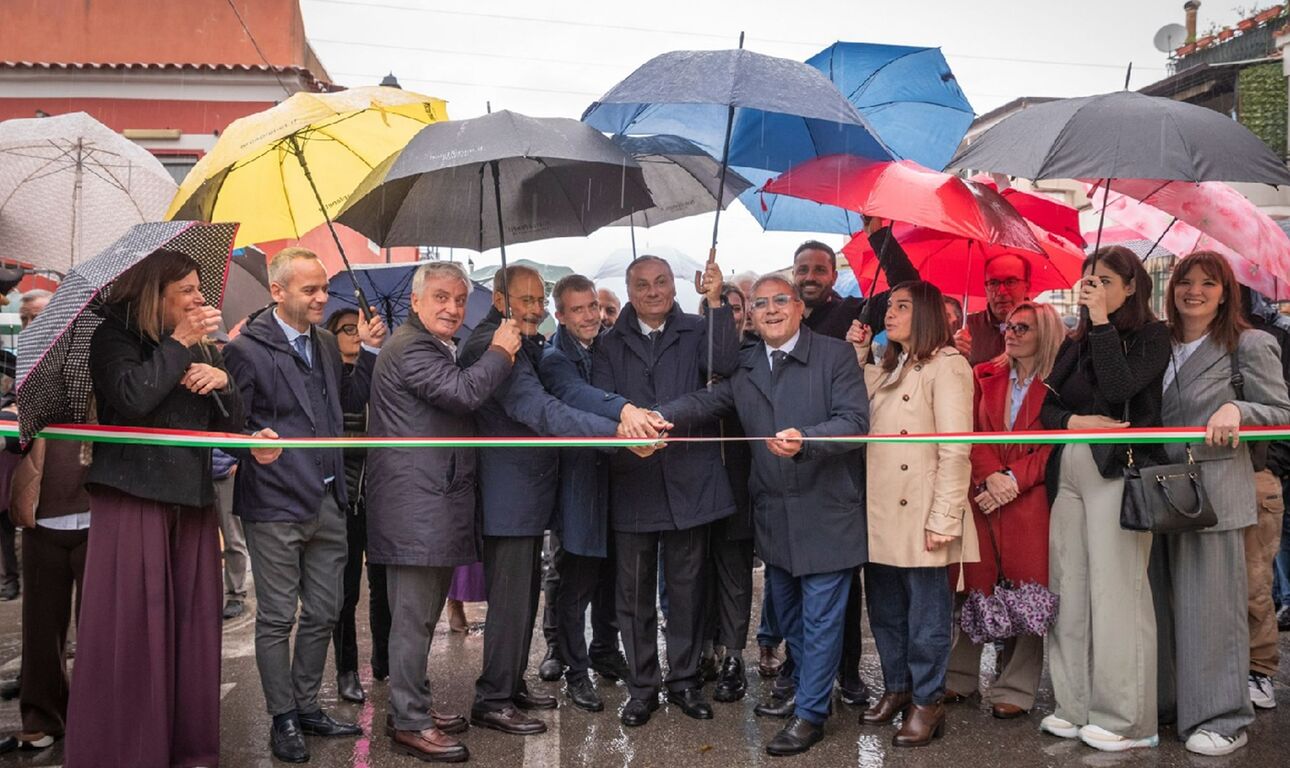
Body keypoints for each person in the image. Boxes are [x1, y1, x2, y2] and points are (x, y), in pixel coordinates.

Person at [660, 275, 870, 755]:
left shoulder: (835, 355)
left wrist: (807, 439)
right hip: (773, 515)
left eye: (780, 300)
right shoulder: (747, 363)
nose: (771, 309)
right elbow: (707, 402)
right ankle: (804, 691)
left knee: (821, 620)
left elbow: (855, 422)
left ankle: (811, 714)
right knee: (791, 618)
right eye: (761, 303)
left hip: (827, 513)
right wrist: (654, 414)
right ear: (751, 315)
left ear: (798, 307)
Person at [62, 248, 246, 768]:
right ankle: (128, 752)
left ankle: (188, 750)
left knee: (192, 629)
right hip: (133, 497)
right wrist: (179, 344)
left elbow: (230, 425)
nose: (199, 298)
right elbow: (132, 399)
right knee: (136, 629)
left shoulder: (205, 345)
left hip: (192, 499)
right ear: (155, 295)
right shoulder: (113, 337)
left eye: (198, 288)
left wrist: (224, 382)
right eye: (186, 290)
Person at [460, 265, 647, 736]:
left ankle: (510, 684)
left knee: (522, 600)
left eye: (538, 300)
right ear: (500, 300)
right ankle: (493, 699)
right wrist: (616, 432)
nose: (535, 309)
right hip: (507, 498)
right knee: (510, 604)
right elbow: (540, 409)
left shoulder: (521, 343)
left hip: (525, 499)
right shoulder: (492, 344)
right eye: (526, 300)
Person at [223, 246, 388, 764]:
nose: (321, 298)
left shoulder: (326, 343)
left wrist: (368, 352)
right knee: (277, 618)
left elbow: (349, 402)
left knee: (324, 610)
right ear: (278, 291)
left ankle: (306, 705)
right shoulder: (246, 349)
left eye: (324, 288)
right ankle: (283, 718)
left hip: (329, 500)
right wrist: (250, 442)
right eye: (310, 290)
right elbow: (229, 427)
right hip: (274, 504)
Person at [366, 261, 521, 763]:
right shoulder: (412, 347)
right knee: (412, 622)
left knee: (421, 618)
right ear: (416, 301)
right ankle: (410, 722)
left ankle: (411, 707)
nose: (452, 308)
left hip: (430, 505)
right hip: (416, 508)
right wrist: (501, 351)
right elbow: (463, 392)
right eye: (440, 297)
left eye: (458, 299)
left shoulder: (430, 344)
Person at [1152, 252, 1290, 755]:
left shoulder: (1250, 343)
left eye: (1208, 283)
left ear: (1226, 291)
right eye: (1185, 282)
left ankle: (1223, 718)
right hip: (1159, 489)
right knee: (1166, 607)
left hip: (1216, 490)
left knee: (1213, 610)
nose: (1194, 291)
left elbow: (1280, 410)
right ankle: (1172, 705)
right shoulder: (1159, 344)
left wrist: (1238, 408)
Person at [591, 254, 738, 727]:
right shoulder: (608, 344)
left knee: (688, 590)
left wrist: (716, 302)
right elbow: (602, 404)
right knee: (633, 594)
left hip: (690, 481)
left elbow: (724, 384)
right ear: (629, 290)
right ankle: (641, 688)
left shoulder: (699, 328)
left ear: (675, 286)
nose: (652, 291)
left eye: (660, 282)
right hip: (633, 480)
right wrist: (632, 420)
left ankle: (685, 680)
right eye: (642, 284)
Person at [1039, 246, 1169, 752]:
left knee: (1117, 593)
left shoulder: (1151, 335)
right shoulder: (1075, 341)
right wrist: (1073, 421)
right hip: (1070, 467)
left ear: (1132, 286)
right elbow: (1048, 408)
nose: (1092, 289)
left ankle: (1128, 720)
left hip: (1119, 468)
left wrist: (1099, 324)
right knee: (1068, 589)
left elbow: (1119, 389)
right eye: (1088, 281)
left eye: (1105, 281)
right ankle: (1073, 705)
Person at [845, 280, 976, 748]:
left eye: (902, 306)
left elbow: (956, 448)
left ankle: (927, 701)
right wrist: (859, 354)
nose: (890, 313)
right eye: (890, 305)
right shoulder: (894, 362)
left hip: (922, 511)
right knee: (885, 611)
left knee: (926, 618)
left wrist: (945, 517)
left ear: (924, 314)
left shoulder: (949, 365)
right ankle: (898, 687)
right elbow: (863, 408)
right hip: (882, 509)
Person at [794, 223, 917, 706]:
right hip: (788, 463)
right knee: (792, 582)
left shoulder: (854, 310)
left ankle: (848, 673)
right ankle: (797, 672)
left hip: (838, 462)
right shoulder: (782, 315)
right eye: (803, 269)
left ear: (833, 275)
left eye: (819, 269)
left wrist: (880, 236)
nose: (809, 276)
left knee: (839, 578)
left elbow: (909, 286)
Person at [945, 302, 1064, 718]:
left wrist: (1013, 479)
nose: (1010, 333)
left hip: (1030, 499)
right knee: (976, 586)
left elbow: (1055, 445)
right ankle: (959, 676)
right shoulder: (983, 374)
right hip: (984, 494)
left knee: (1027, 590)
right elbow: (969, 431)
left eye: (1022, 328)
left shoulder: (1059, 385)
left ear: (1045, 334)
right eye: (1009, 326)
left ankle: (1015, 686)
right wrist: (990, 476)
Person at [537, 275, 634, 712]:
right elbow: (578, 396)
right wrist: (625, 413)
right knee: (575, 582)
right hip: (577, 484)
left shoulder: (607, 345)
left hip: (615, 481)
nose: (590, 315)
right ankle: (575, 669)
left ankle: (605, 651)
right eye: (578, 309)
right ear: (560, 315)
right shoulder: (555, 358)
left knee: (611, 576)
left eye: (593, 305)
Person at [324, 308, 391, 701]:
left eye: (360, 326)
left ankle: (385, 660)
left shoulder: (380, 371)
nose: (355, 333)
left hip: (381, 497)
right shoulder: (331, 376)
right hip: (346, 498)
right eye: (346, 328)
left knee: (384, 586)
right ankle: (346, 669)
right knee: (346, 591)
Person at [695, 283, 757, 704]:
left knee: (735, 576)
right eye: (719, 309)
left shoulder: (754, 356)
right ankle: (703, 651)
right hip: (696, 484)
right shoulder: (693, 354)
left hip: (740, 484)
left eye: (735, 309)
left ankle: (734, 656)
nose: (729, 316)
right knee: (695, 575)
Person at [0, 290, 47, 603]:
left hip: (64, 482)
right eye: (24, 319)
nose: (29, 325)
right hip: (20, 465)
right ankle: (9, 580)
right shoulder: (22, 361)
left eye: (37, 318)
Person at [952, 254, 1031, 365]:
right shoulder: (962, 328)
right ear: (985, 288)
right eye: (993, 283)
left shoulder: (1044, 329)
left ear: (1027, 287)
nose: (1001, 291)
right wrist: (949, 353)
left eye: (1010, 282)